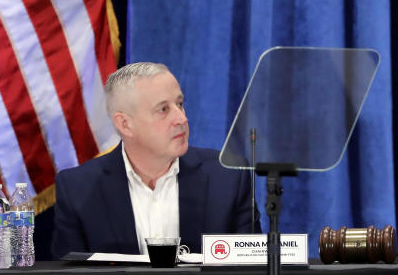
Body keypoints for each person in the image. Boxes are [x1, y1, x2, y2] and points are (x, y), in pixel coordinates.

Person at [51, 62, 254, 258]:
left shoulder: (228, 177)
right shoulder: (78, 190)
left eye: (180, 104)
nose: (182, 119)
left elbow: (250, 274)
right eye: (163, 109)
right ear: (125, 124)